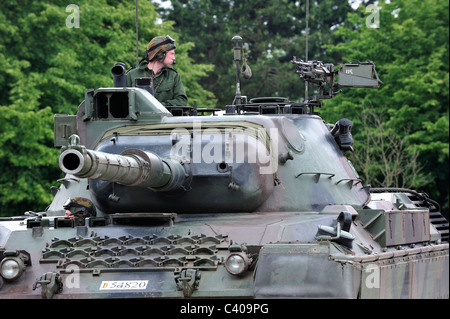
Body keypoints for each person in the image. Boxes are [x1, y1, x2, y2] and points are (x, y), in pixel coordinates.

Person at [126, 35, 188, 106]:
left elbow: (182, 101)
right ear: (160, 55)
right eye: (172, 54)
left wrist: (159, 106)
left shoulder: (173, 76)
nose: (174, 58)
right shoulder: (132, 75)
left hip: (164, 117)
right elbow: (121, 101)